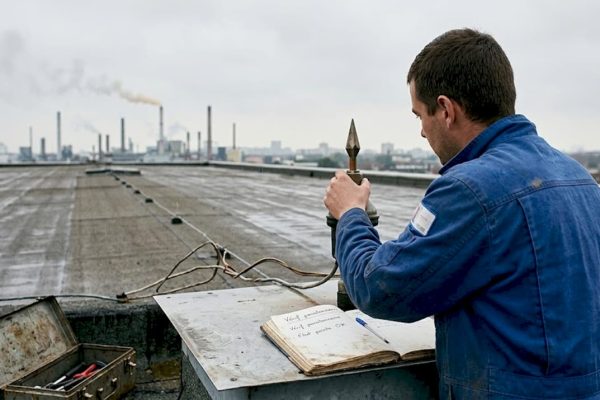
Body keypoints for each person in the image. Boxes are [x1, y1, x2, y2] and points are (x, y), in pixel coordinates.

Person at [323, 28, 600, 399]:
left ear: (446, 110)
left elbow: (379, 289)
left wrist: (351, 214)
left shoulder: (470, 189)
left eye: (420, 116)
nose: (422, 132)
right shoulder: (578, 177)